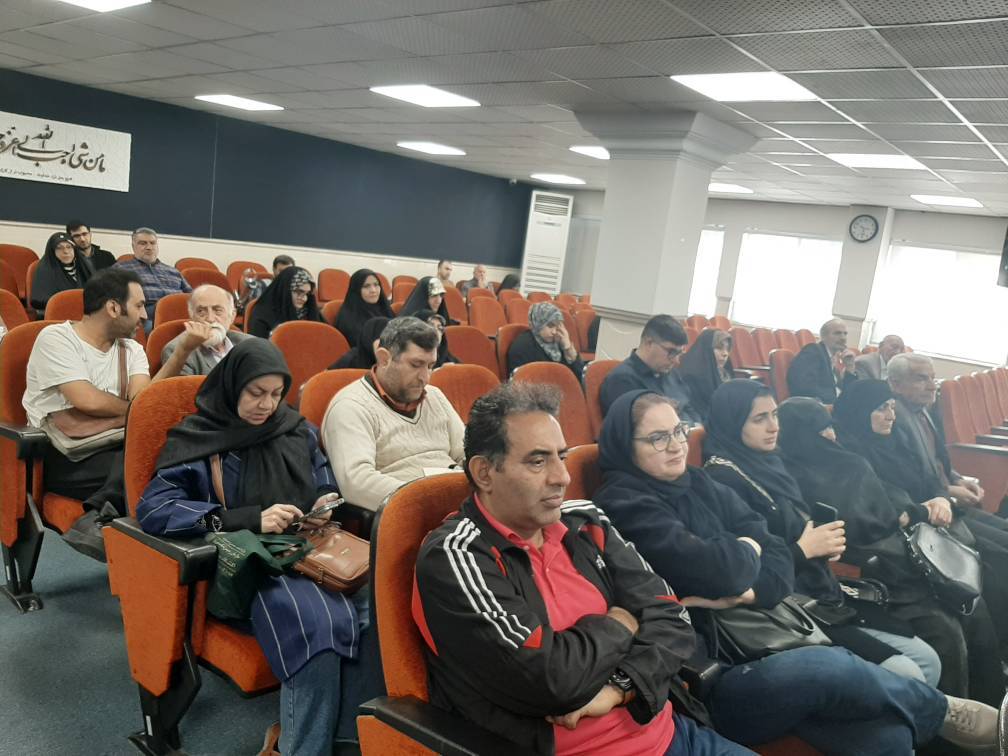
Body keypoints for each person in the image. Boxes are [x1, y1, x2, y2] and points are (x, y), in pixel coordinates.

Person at [593, 389, 999, 754]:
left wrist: (750, 587)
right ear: (625, 445)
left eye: (678, 431)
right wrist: (747, 552)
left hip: (770, 633)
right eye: (657, 437)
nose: (675, 445)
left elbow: (771, 552)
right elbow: (721, 570)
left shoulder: (697, 482)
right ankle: (942, 711)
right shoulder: (624, 502)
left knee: (888, 738)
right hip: (713, 670)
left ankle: (942, 722)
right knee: (829, 665)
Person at [413, 381, 751, 755]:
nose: (562, 476)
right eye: (537, 461)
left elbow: (673, 617)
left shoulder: (586, 522)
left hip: (670, 732)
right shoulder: (456, 555)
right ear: (484, 473)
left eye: (561, 456)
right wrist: (621, 621)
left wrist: (620, 687)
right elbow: (551, 679)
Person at [135, 339, 369, 756]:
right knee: (320, 623)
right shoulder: (199, 439)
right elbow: (155, 509)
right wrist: (246, 518)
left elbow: (322, 475)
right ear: (232, 386)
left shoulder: (295, 429)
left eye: (277, 394)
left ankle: (341, 738)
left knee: (377, 608)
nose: (267, 405)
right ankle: (301, 749)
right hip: (251, 562)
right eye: (256, 393)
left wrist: (323, 500)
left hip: (310, 549)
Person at [702, 380, 940, 685]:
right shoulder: (722, 481)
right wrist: (805, 550)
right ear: (733, 423)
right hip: (784, 608)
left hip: (820, 590)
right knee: (907, 672)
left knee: (928, 660)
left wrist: (822, 545)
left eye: (774, 415)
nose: (773, 427)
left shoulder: (771, 463)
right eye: (759, 419)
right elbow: (744, 569)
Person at [778, 393, 1004, 702]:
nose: (830, 435)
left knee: (971, 598)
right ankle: (952, 721)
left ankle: (988, 703)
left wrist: (917, 509)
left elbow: (891, 504)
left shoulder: (845, 459)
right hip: (864, 571)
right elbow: (863, 524)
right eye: (821, 429)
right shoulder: (798, 473)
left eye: (829, 426)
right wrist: (913, 512)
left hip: (895, 555)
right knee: (944, 627)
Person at [23, 268, 212, 559]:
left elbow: (145, 402)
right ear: (113, 307)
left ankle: (109, 515)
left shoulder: (131, 348)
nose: (145, 315)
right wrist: (133, 412)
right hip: (62, 456)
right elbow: (87, 400)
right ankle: (101, 518)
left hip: (115, 445)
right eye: (139, 305)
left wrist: (182, 351)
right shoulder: (56, 338)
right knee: (145, 465)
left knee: (168, 456)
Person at [322, 317, 464, 512]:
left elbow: (466, 452)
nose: (425, 377)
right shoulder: (351, 406)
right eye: (416, 365)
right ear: (384, 359)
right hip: (408, 512)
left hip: (457, 501)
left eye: (430, 366)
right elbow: (356, 483)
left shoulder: (435, 396)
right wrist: (430, 497)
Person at [599, 314, 700, 425]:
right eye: (671, 352)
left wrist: (696, 427)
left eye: (679, 353)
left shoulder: (671, 373)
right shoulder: (622, 380)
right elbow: (643, 428)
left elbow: (689, 408)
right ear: (649, 343)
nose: (676, 361)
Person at [162, 284, 252, 376]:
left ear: (232, 316)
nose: (210, 319)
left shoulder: (250, 343)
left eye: (218, 310)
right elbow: (185, 386)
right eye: (201, 311)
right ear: (192, 317)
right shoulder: (178, 351)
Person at [115, 227, 191, 334]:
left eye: (152, 243)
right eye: (143, 243)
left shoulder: (173, 271)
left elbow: (192, 296)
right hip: (147, 315)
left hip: (179, 312)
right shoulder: (121, 269)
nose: (149, 247)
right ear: (133, 246)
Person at [786, 318, 858, 403]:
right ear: (824, 337)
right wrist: (837, 400)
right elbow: (803, 385)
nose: (843, 338)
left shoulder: (833, 359)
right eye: (837, 333)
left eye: (845, 334)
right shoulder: (813, 351)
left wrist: (850, 367)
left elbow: (849, 392)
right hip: (815, 406)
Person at [506, 301, 584, 379]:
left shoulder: (558, 341)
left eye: (557, 326)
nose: (554, 332)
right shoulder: (522, 347)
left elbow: (579, 375)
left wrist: (568, 348)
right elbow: (520, 381)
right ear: (538, 324)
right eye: (550, 326)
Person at [676, 329, 734, 424]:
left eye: (727, 349)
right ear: (707, 349)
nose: (725, 353)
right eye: (719, 348)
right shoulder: (692, 375)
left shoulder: (725, 374)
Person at [247, 266, 323, 338]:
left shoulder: (310, 312)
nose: (304, 298)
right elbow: (258, 344)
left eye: (307, 294)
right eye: (299, 292)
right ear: (285, 291)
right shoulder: (263, 314)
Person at [30, 231, 95, 312]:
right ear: (52, 251)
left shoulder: (84, 266)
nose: (66, 251)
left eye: (69, 247)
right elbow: (39, 300)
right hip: (58, 314)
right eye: (59, 248)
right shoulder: (45, 269)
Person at [334, 269, 394, 348]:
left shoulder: (384, 308)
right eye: (366, 286)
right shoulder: (349, 317)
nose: (373, 290)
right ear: (356, 290)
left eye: (376, 285)